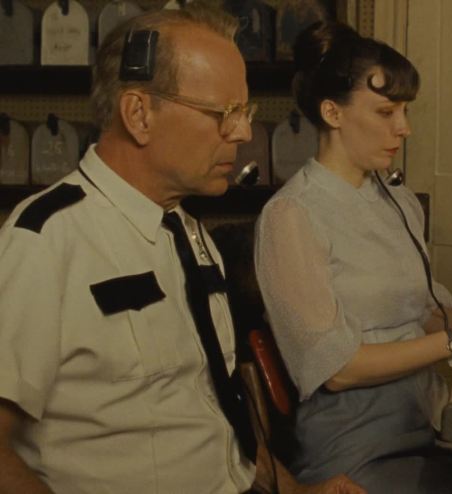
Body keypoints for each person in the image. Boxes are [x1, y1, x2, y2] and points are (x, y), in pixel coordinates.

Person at [0, 4, 362, 493]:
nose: (243, 132)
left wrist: (295, 491)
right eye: (224, 113)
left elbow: (212, 415)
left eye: (246, 113)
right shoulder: (45, 241)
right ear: (139, 114)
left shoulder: (191, 235)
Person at [254, 21, 452, 493]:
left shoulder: (397, 199)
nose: (404, 128)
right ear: (332, 112)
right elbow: (337, 370)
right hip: (355, 450)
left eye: (404, 110)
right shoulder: (291, 216)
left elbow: (423, 315)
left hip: (431, 430)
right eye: (386, 111)